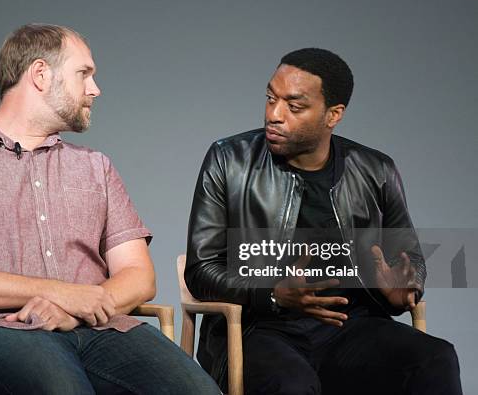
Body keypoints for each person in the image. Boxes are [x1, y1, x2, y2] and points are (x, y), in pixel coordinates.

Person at [0, 23, 220, 395]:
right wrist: (62, 292)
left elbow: (139, 275)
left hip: (99, 330)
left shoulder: (97, 166)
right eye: (84, 74)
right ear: (41, 75)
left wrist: (76, 307)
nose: (96, 89)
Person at [185, 47, 462, 394]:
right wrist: (271, 293)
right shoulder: (229, 160)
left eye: (294, 106)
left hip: (350, 327)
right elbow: (201, 270)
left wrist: (403, 288)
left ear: (333, 115)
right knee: (291, 385)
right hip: (257, 328)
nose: (274, 114)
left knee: (434, 358)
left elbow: (409, 260)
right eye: (271, 98)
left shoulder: (375, 170)